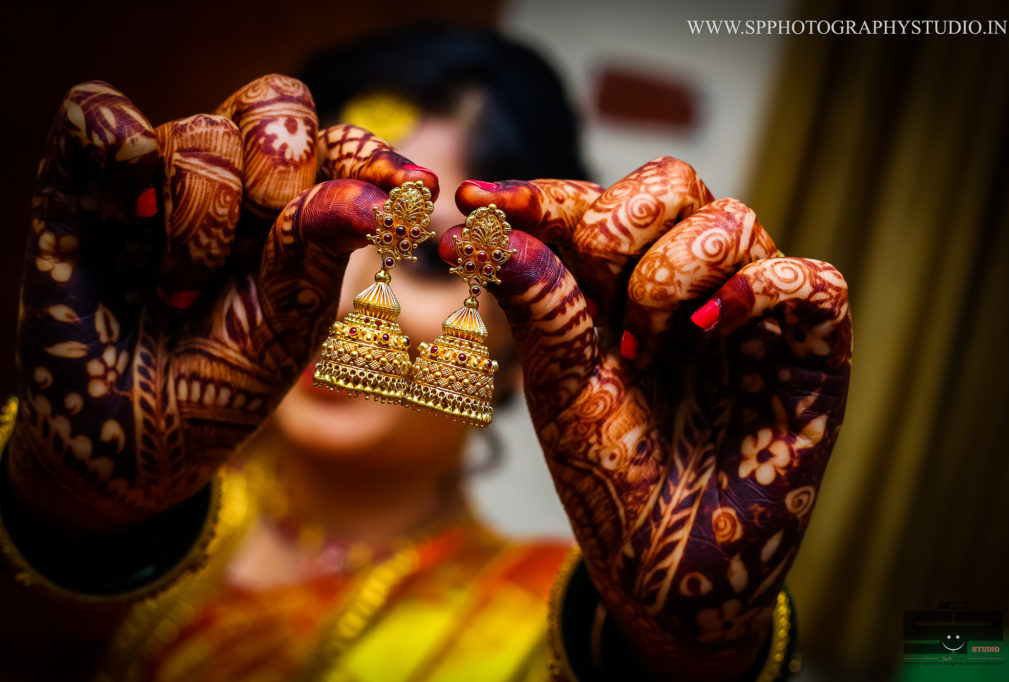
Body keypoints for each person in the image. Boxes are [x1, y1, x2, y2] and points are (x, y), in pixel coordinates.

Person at [0, 26, 851, 682]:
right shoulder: (81, 518)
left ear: (529, 337)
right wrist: (76, 517)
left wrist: (684, 661)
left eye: (433, 261)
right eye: (308, 239)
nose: (337, 301)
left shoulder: (551, 627)